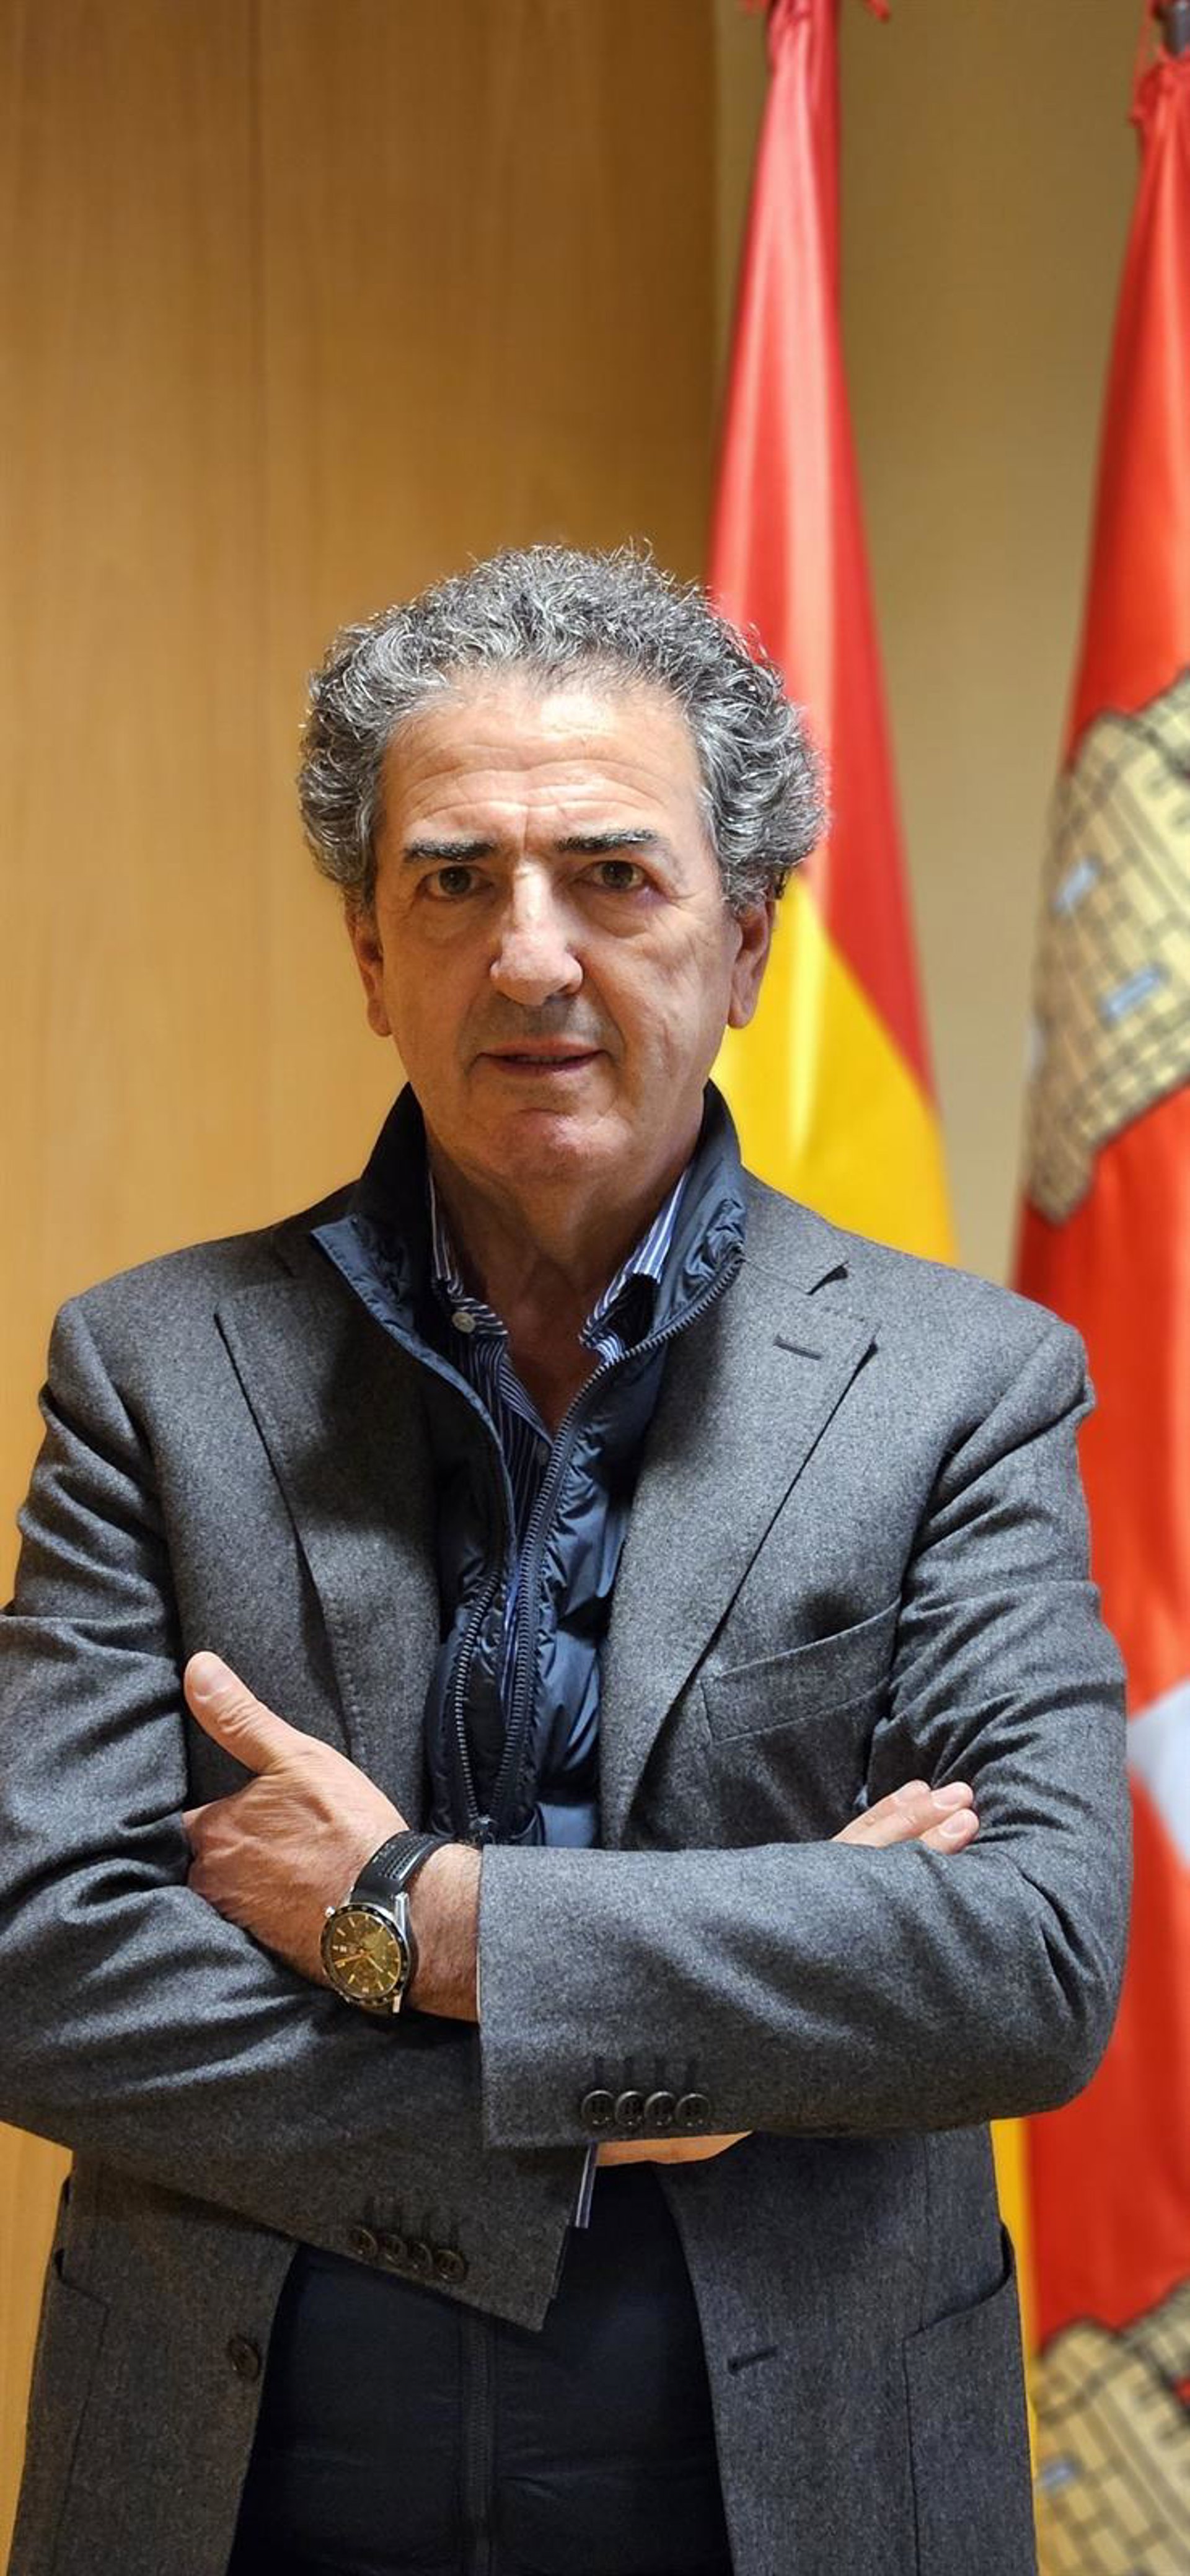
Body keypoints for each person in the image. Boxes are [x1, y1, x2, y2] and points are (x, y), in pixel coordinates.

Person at [0, 545, 1129, 2576]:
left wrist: (423, 1925)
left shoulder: (963, 1387)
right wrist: (602, 2092)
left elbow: (1028, 1960)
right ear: (371, 951)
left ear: (748, 939)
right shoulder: (154, 1371)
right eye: (454, 881)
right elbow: (36, 1956)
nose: (529, 957)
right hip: (237, 2496)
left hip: (793, 2494)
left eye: (614, 876)